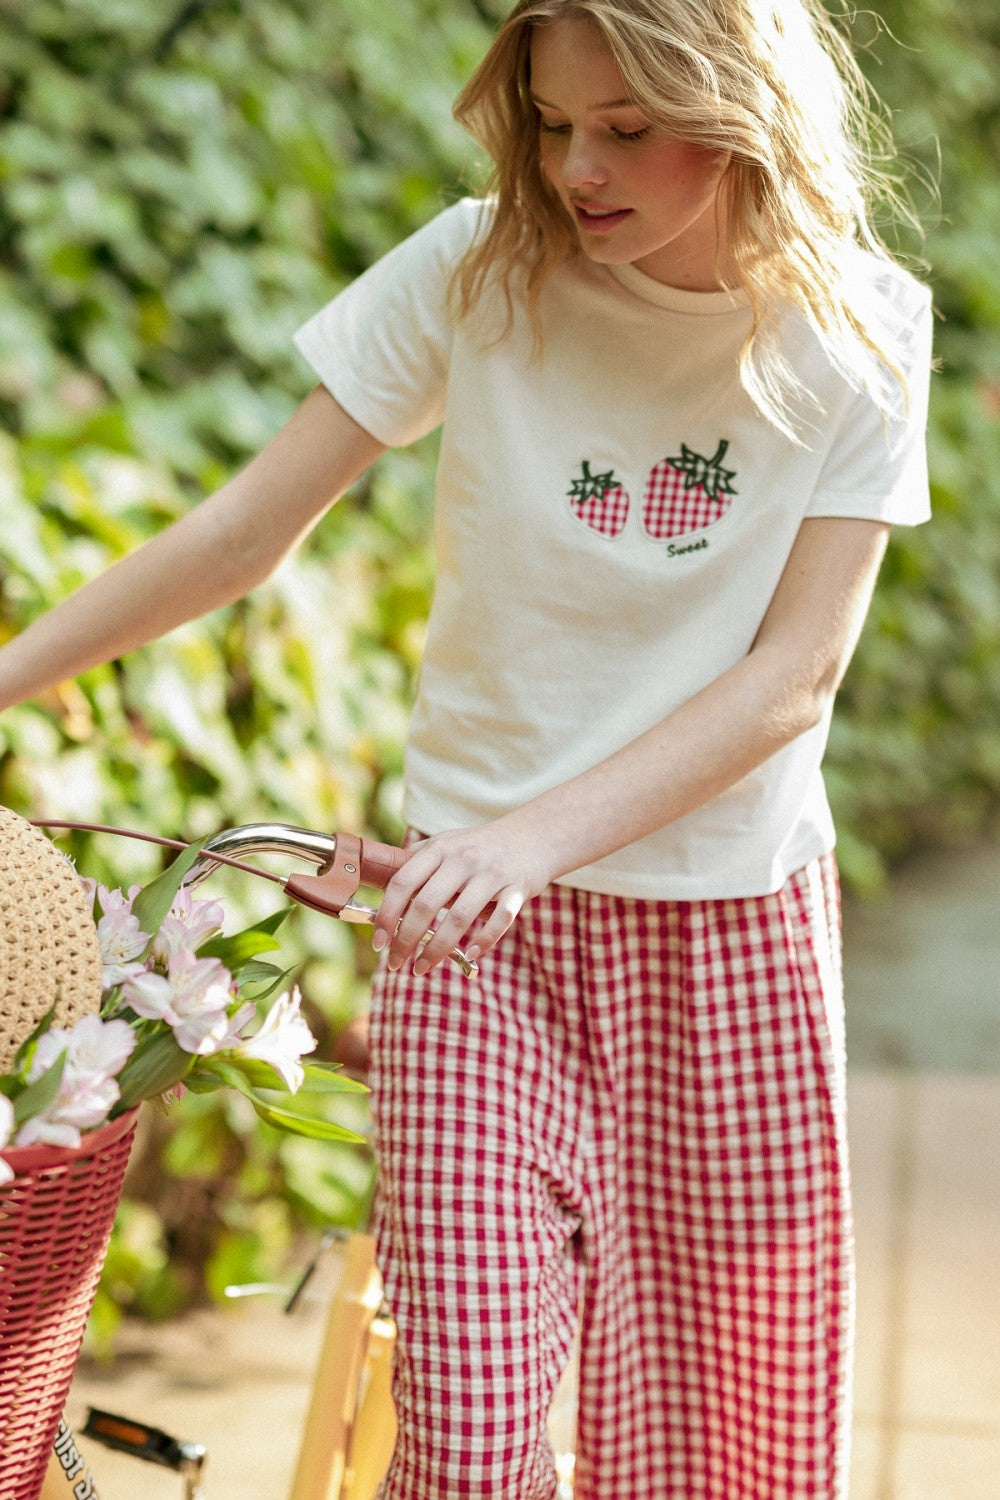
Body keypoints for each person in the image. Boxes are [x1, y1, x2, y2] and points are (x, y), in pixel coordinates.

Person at [0, 0, 932, 1495]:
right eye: (557, 125)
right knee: (469, 1438)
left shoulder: (863, 327)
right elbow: (244, 530)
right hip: (475, 949)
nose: (578, 167)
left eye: (627, 131)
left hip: (729, 944)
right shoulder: (478, 270)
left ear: (747, 115)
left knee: (721, 1451)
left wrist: (519, 843)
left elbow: (790, 680)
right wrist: (6, 680)